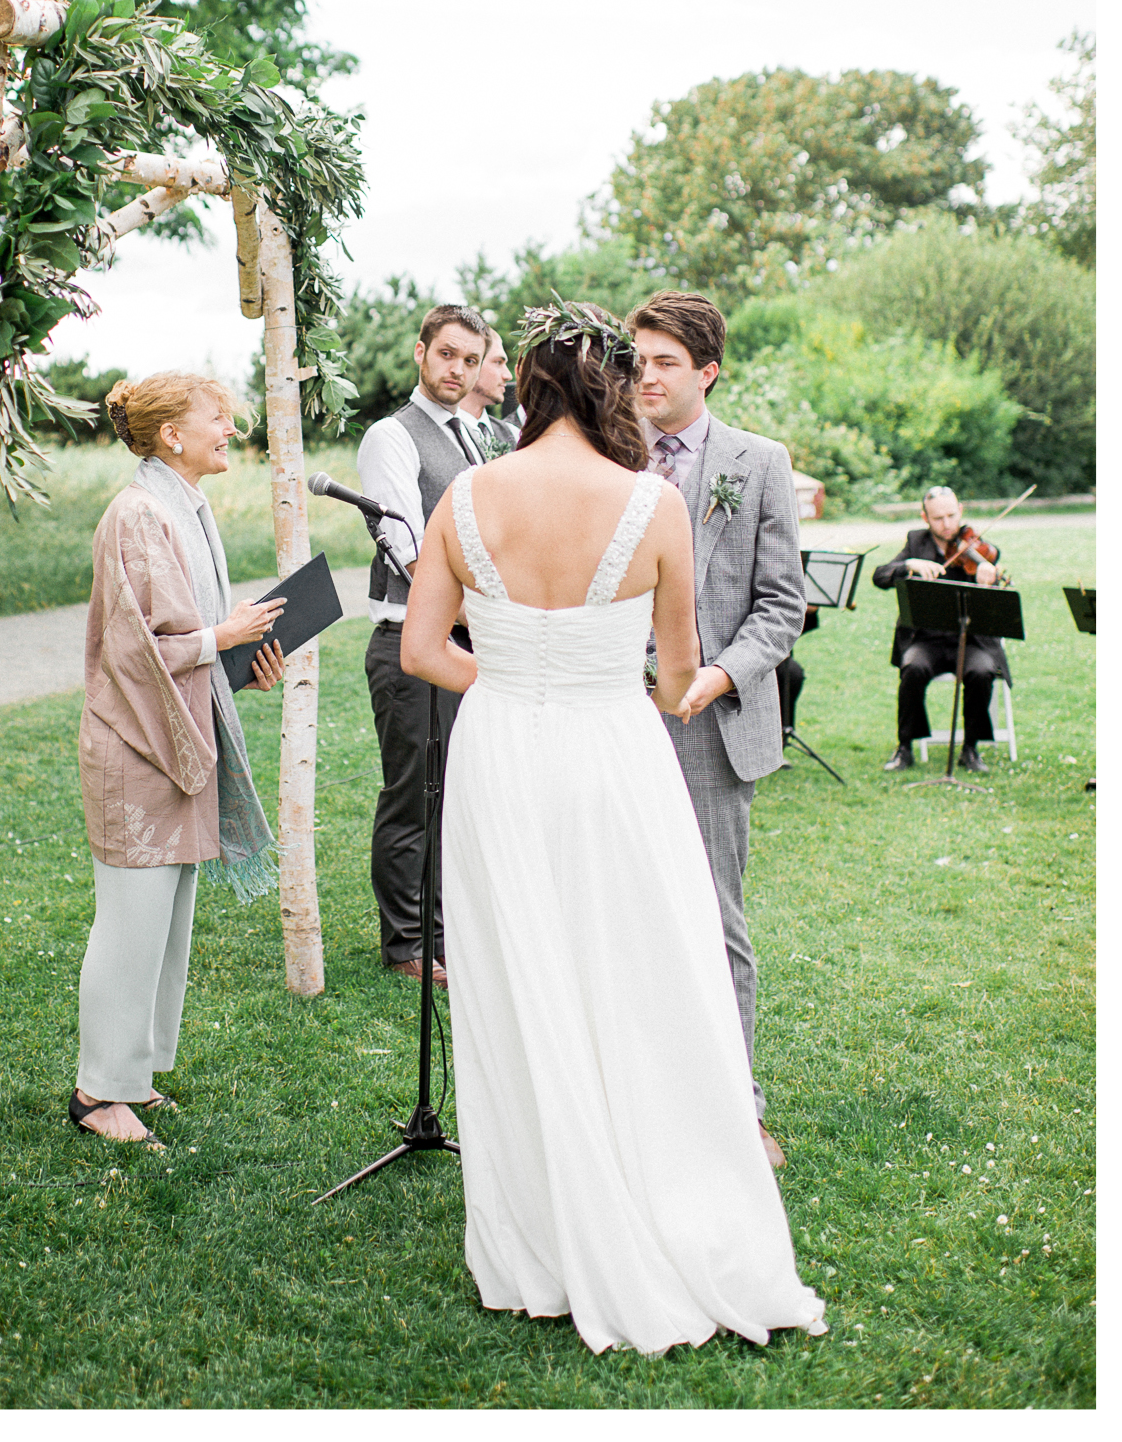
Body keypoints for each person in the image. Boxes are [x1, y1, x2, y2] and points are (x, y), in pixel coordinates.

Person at [403, 300, 825, 1356]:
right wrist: (603, 682)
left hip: (500, 753)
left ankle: (537, 1237)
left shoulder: (466, 493)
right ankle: (652, 1175)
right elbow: (678, 675)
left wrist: (508, 681)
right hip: (614, 752)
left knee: (516, 969)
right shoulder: (652, 503)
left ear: (530, 384)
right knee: (635, 962)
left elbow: (420, 649)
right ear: (607, 387)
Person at [67, 373, 285, 1146]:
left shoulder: (185, 508)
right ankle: (98, 1093)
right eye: (218, 419)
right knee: (130, 923)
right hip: (136, 747)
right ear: (171, 436)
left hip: (177, 742)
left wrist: (239, 664)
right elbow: (132, 648)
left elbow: (179, 641)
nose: (232, 429)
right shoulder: (138, 514)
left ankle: (134, 1077)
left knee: (166, 922)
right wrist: (222, 638)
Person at [627, 289, 804, 1164]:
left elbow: (782, 605)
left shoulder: (757, 461)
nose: (646, 377)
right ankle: (644, 1089)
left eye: (664, 362)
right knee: (626, 907)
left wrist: (718, 674)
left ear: (708, 370)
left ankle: (739, 1100)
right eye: (639, 360)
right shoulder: (610, 455)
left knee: (715, 917)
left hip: (712, 722)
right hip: (615, 718)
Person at [353, 303, 493, 985]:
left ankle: (445, 929)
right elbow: (404, 544)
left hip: (467, 641)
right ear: (420, 352)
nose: (457, 370)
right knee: (414, 793)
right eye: (447, 355)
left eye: (470, 360)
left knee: (459, 789)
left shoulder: (475, 433)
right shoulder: (392, 435)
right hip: (409, 640)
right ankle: (407, 943)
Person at [873, 486, 1012, 772]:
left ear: (960, 510)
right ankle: (905, 747)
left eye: (951, 515)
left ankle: (970, 749)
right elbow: (880, 576)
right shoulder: (915, 543)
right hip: (927, 640)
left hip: (971, 641)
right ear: (925, 517)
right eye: (938, 518)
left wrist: (988, 584)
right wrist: (907, 565)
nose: (947, 524)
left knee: (982, 671)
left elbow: (996, 611)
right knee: (912, 667)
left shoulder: (979, 549)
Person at [461, 326, 518, 456]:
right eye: (498, 362)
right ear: (471, 363)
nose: (508, 375)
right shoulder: (435, 432)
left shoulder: (513, 434)